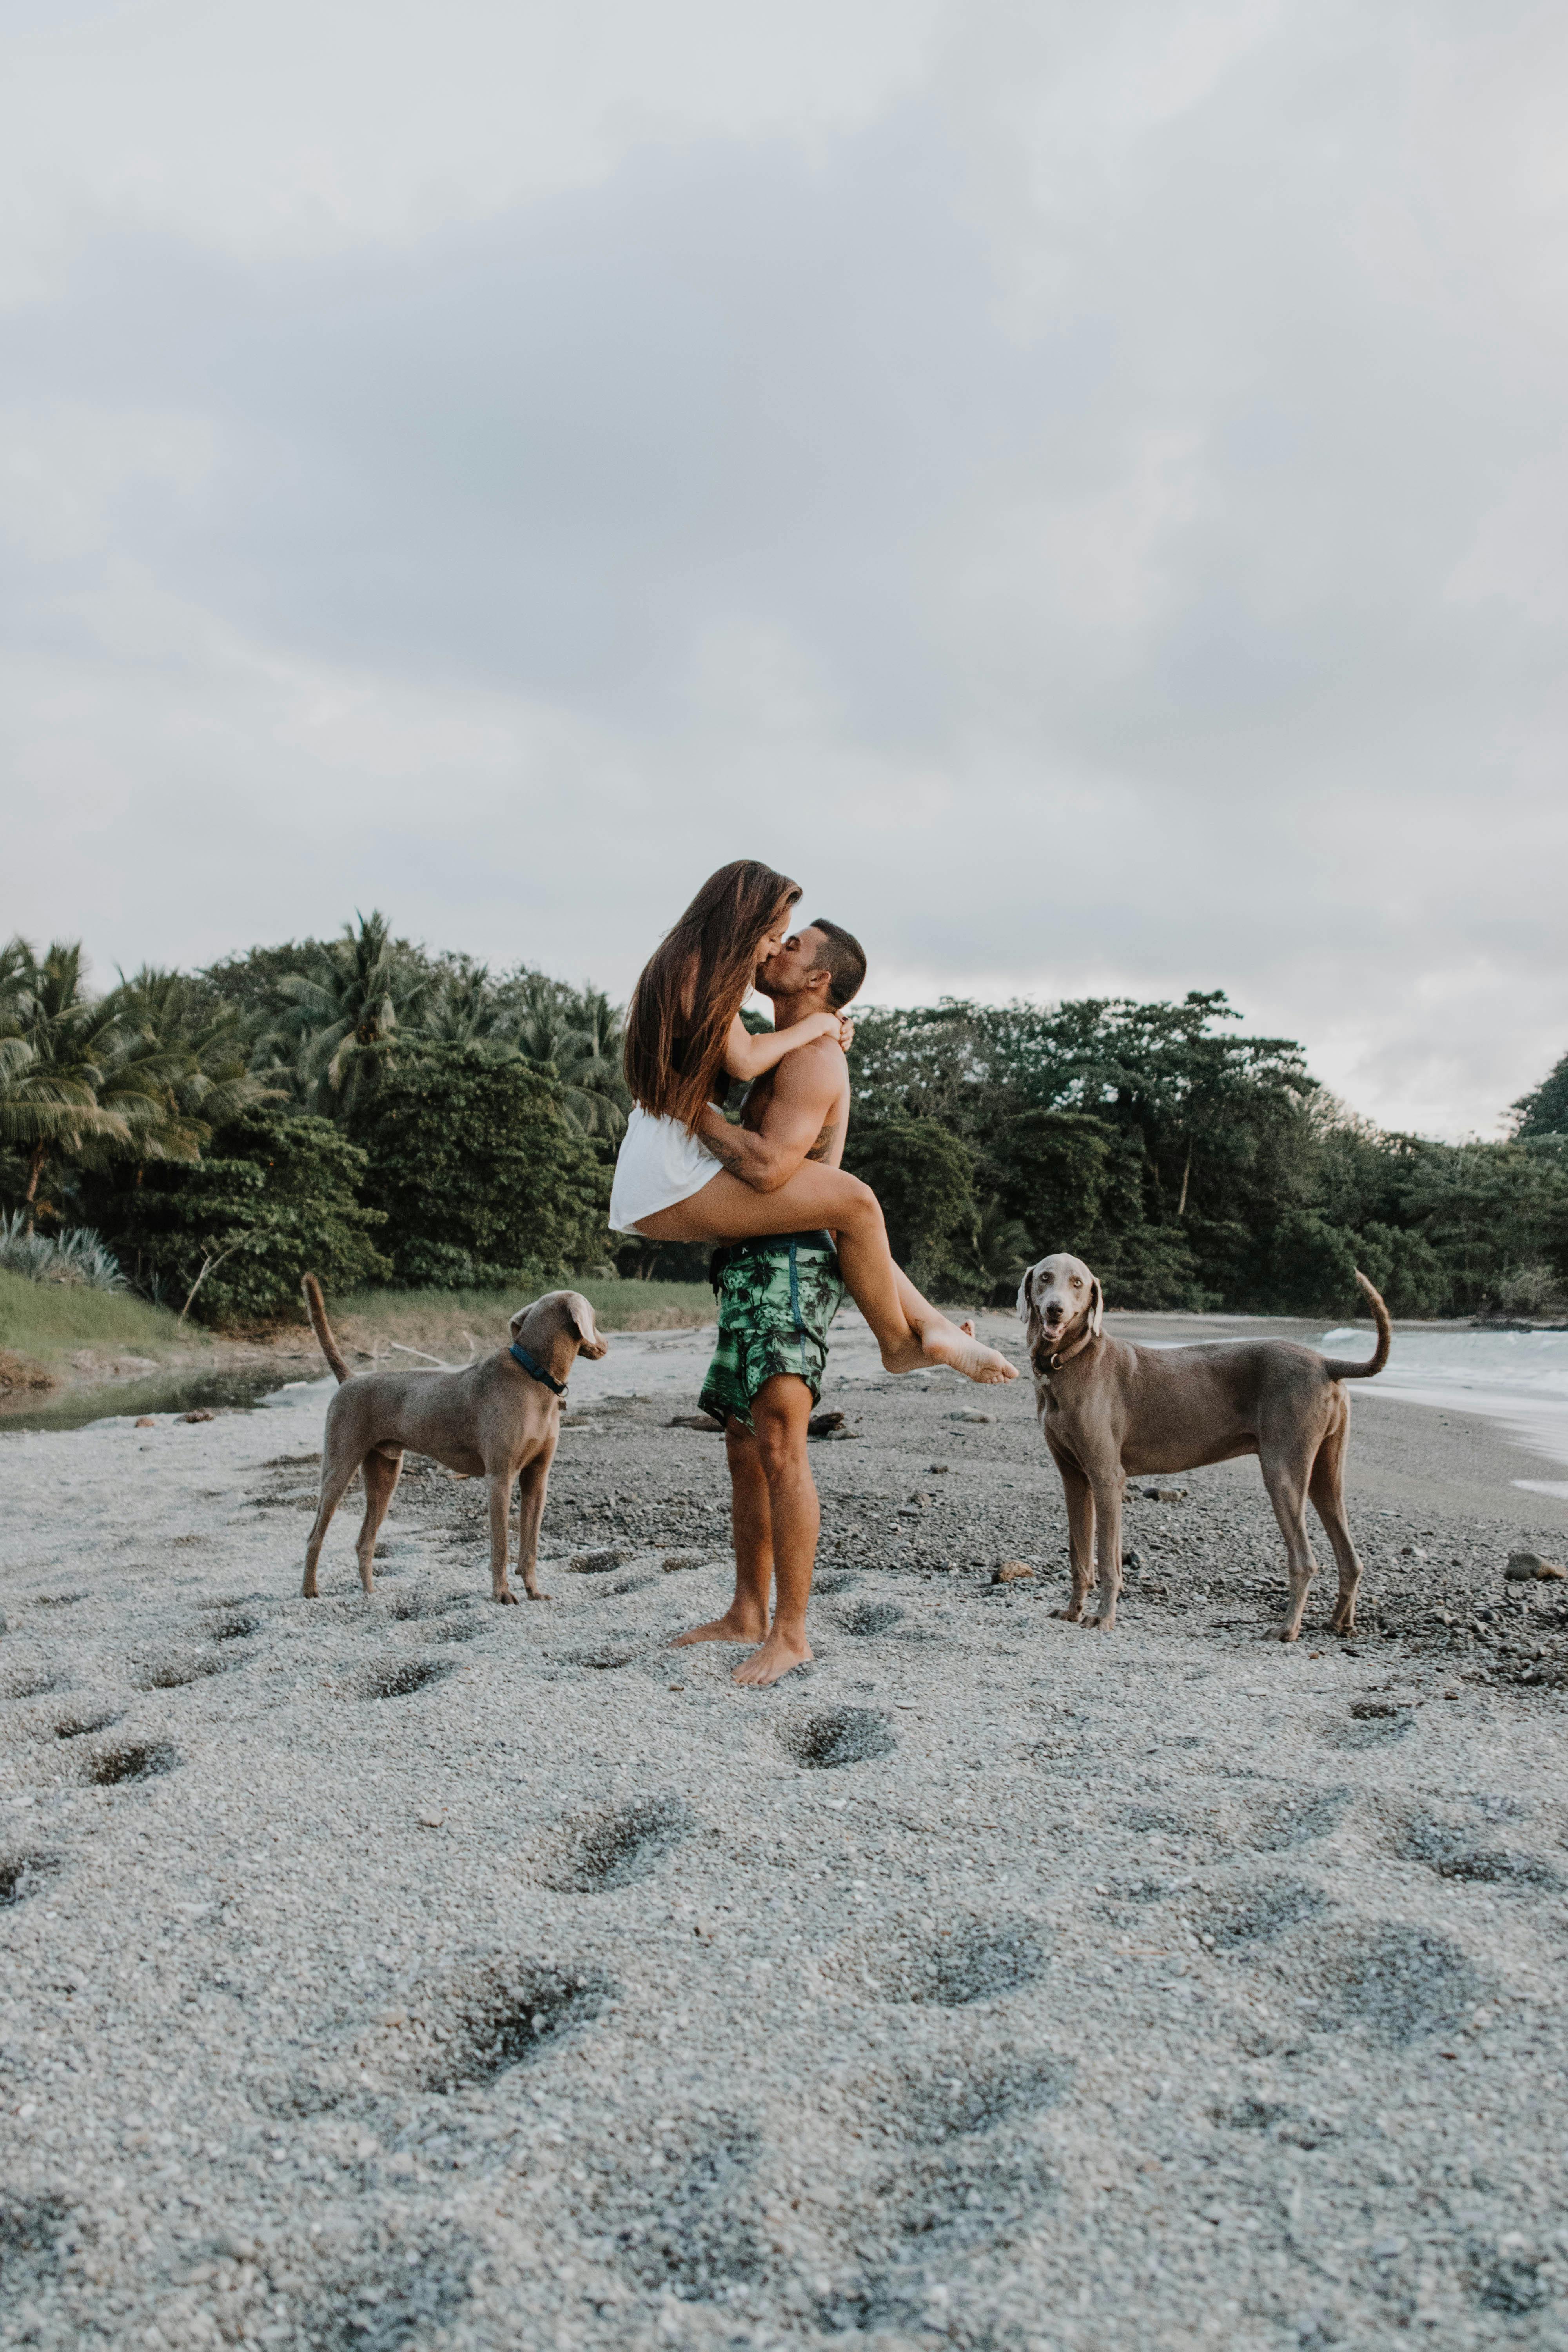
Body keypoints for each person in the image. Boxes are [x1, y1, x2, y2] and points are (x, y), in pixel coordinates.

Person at [609, 860, 1016, 1386]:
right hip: (669, 1166)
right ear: (742, 921)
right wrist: (821, 1024)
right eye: (774, 936)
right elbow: (745, 1060)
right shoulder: (693, 970)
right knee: (856, 1200)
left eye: (786, 941)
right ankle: (896, 1343)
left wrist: (819, 1031)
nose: (773, 949)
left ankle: (930, 1325)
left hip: (668, 1159)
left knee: (842, 1211)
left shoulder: (693, 967)